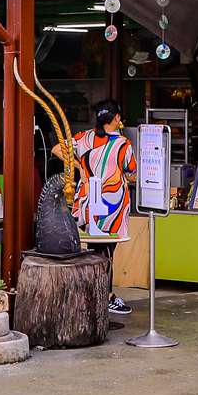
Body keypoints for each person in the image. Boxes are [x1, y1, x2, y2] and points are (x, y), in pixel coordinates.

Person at [72, 99, 136, 317]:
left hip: (89, 202)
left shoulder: (85, 138)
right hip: (114, 205)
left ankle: (94, 293)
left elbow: (56, 148)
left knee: (94, 249)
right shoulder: (123, 143)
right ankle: (106, 296)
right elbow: (131, 170)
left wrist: (80, 167)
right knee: (107, 252)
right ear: (116, 118)